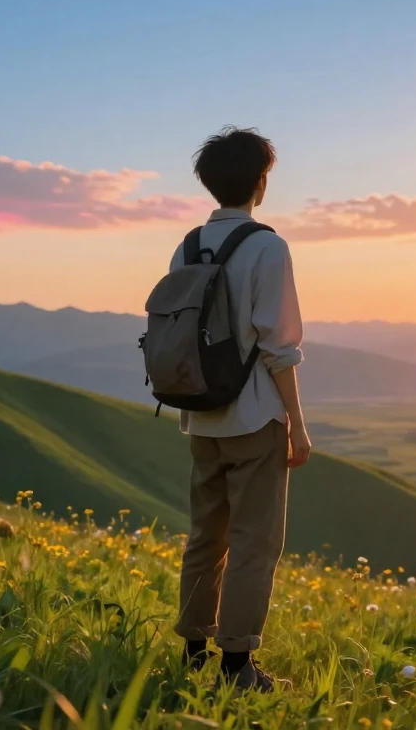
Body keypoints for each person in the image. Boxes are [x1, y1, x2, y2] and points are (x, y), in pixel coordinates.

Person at [169, 126, 312, 691]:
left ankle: (194, 649)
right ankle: (237, 665)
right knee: (256, 539)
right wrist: (296, 424)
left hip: (199, 412)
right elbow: (279, 345)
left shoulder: (187, 245)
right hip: (253, 415)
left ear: (209, 184)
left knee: (206, 533)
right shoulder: (268, 247)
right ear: (260, 183)